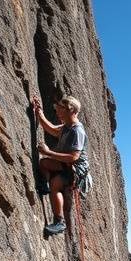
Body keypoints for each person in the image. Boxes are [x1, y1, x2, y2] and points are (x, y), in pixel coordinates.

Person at [32, 94, 89, 235]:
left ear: (70, 110)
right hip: (66, 164)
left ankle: (59, 222)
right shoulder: (67, 127)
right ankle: (44, 185)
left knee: (55, 183)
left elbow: (73, 157)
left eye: (60, 108)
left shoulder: (77, 131)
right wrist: (39, 113)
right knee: (44, 163)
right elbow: (51, 129)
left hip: (75, 169)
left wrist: (49, 152)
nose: (57, 110)